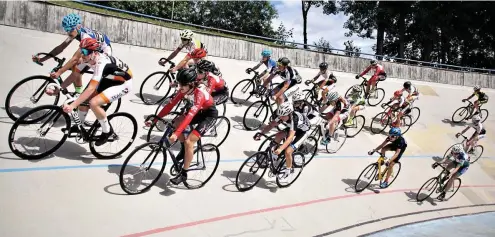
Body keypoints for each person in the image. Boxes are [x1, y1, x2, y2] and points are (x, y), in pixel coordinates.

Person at [147, 68, 217, 186]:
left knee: (189, 141)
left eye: (182, 84)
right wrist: (155, 119)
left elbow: (190, 116)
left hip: (209, 115)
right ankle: (184, 149)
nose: (180, 87)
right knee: (176, 123)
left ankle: (184, 174)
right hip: (198, 111)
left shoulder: (199, 94)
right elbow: (169, 106)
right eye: (179, 83)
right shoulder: (183, 90)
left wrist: (176, 133)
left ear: (191, 84)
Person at [61, 38, 132, 146]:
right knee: (83, 100)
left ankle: (107, 132)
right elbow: (74, 75)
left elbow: (91, 89)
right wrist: (60, 87)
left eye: (85, 52)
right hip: (108, 78)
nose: (82, 55)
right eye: (81, 51)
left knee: (93, 103)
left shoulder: (101, 62)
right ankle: (79, 126)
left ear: (94, 53)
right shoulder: (87, 59)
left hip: (123, 83)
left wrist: (73, 105)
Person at [33, 13, 112, 95]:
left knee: (77, 63)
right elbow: (60, 48)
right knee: (76, 66)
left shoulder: (85, 37)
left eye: (70, 30)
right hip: (92, 47)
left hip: (103, 51)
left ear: (77, 27)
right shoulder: (75, 32)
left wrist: (59, 72)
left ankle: (80, 94)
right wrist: (42, 59)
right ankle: (78, 92)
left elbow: (74, 59)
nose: (68, 33)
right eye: (66, 30)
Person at [253, 102, 311, 179]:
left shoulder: (294, 119)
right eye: (280, 116)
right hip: (293, 128)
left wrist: (281, 148)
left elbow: (290, 137)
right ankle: (274, 156)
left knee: (288, 151)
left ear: (289, 114)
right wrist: (261, 134)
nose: (281, 118)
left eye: (283, 116)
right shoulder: (282, 116)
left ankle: (288, 170)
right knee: (279, 135)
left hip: (303, 132)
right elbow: (271, 125)